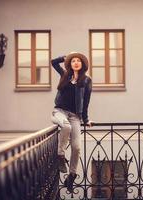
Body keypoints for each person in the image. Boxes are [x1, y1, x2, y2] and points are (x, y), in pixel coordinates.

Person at [51, 52, 92, 193]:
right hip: (59, 112)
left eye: (78, 61)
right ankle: (60, 155)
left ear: (82, 64)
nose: (76, 62)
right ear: (70, 64)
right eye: (73, 61)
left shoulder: (86, 80)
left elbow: (86, 101)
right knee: (66, 127)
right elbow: (53, 62)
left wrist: (85, 119)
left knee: (77, 147)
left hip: (75, 116)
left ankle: (72, 175)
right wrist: (64, 57)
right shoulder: (64, 75)